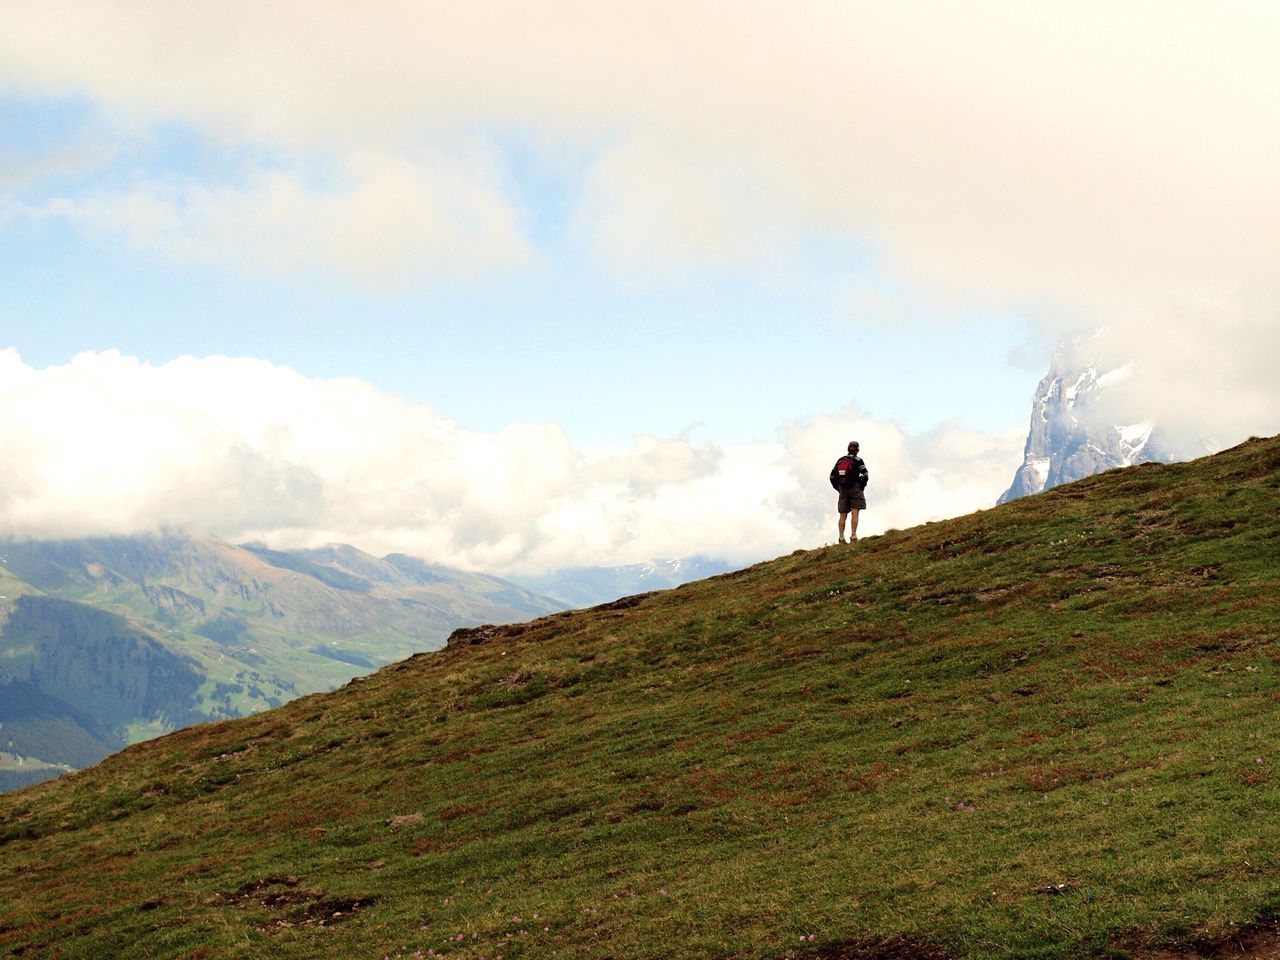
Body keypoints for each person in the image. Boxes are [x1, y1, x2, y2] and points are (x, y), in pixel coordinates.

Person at [829, 441, 868, 544]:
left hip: (843, 489)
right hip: (855, 488)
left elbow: (832, 476)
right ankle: (853, 536)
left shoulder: (840, 460)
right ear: (857, 450)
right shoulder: (858, 460)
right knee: (855, 511)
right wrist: (861, 486)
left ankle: (841, 538)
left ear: (848, 449)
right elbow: (865, 475)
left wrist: (838, 488)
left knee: (843, 514)